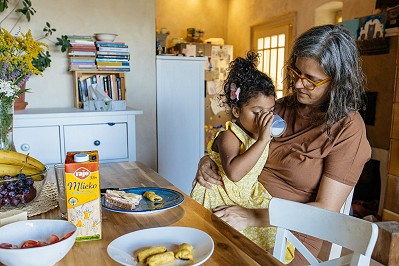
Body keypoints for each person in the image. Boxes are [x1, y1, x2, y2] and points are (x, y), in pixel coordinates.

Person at [193, 24, 371, 265]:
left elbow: (326, 210)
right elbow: (236, 134)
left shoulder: (348, 128)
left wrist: (253, 217)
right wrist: (208, 160)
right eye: (296, 73)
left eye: (311, 80)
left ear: (338, 82)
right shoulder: (281, 107)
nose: (298, 85)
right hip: (241, 207)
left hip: (289, 233)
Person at [190, 51, 294, 263]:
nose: (265, 119)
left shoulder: (259, 133)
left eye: (270, 111)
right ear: (236, 111)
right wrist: (263, 141)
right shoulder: (229, 135)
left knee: (267, 242)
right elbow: (235, 173)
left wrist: (263, 137)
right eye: (257, 112)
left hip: (246, 197)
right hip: (221, 196)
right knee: (222, 250)